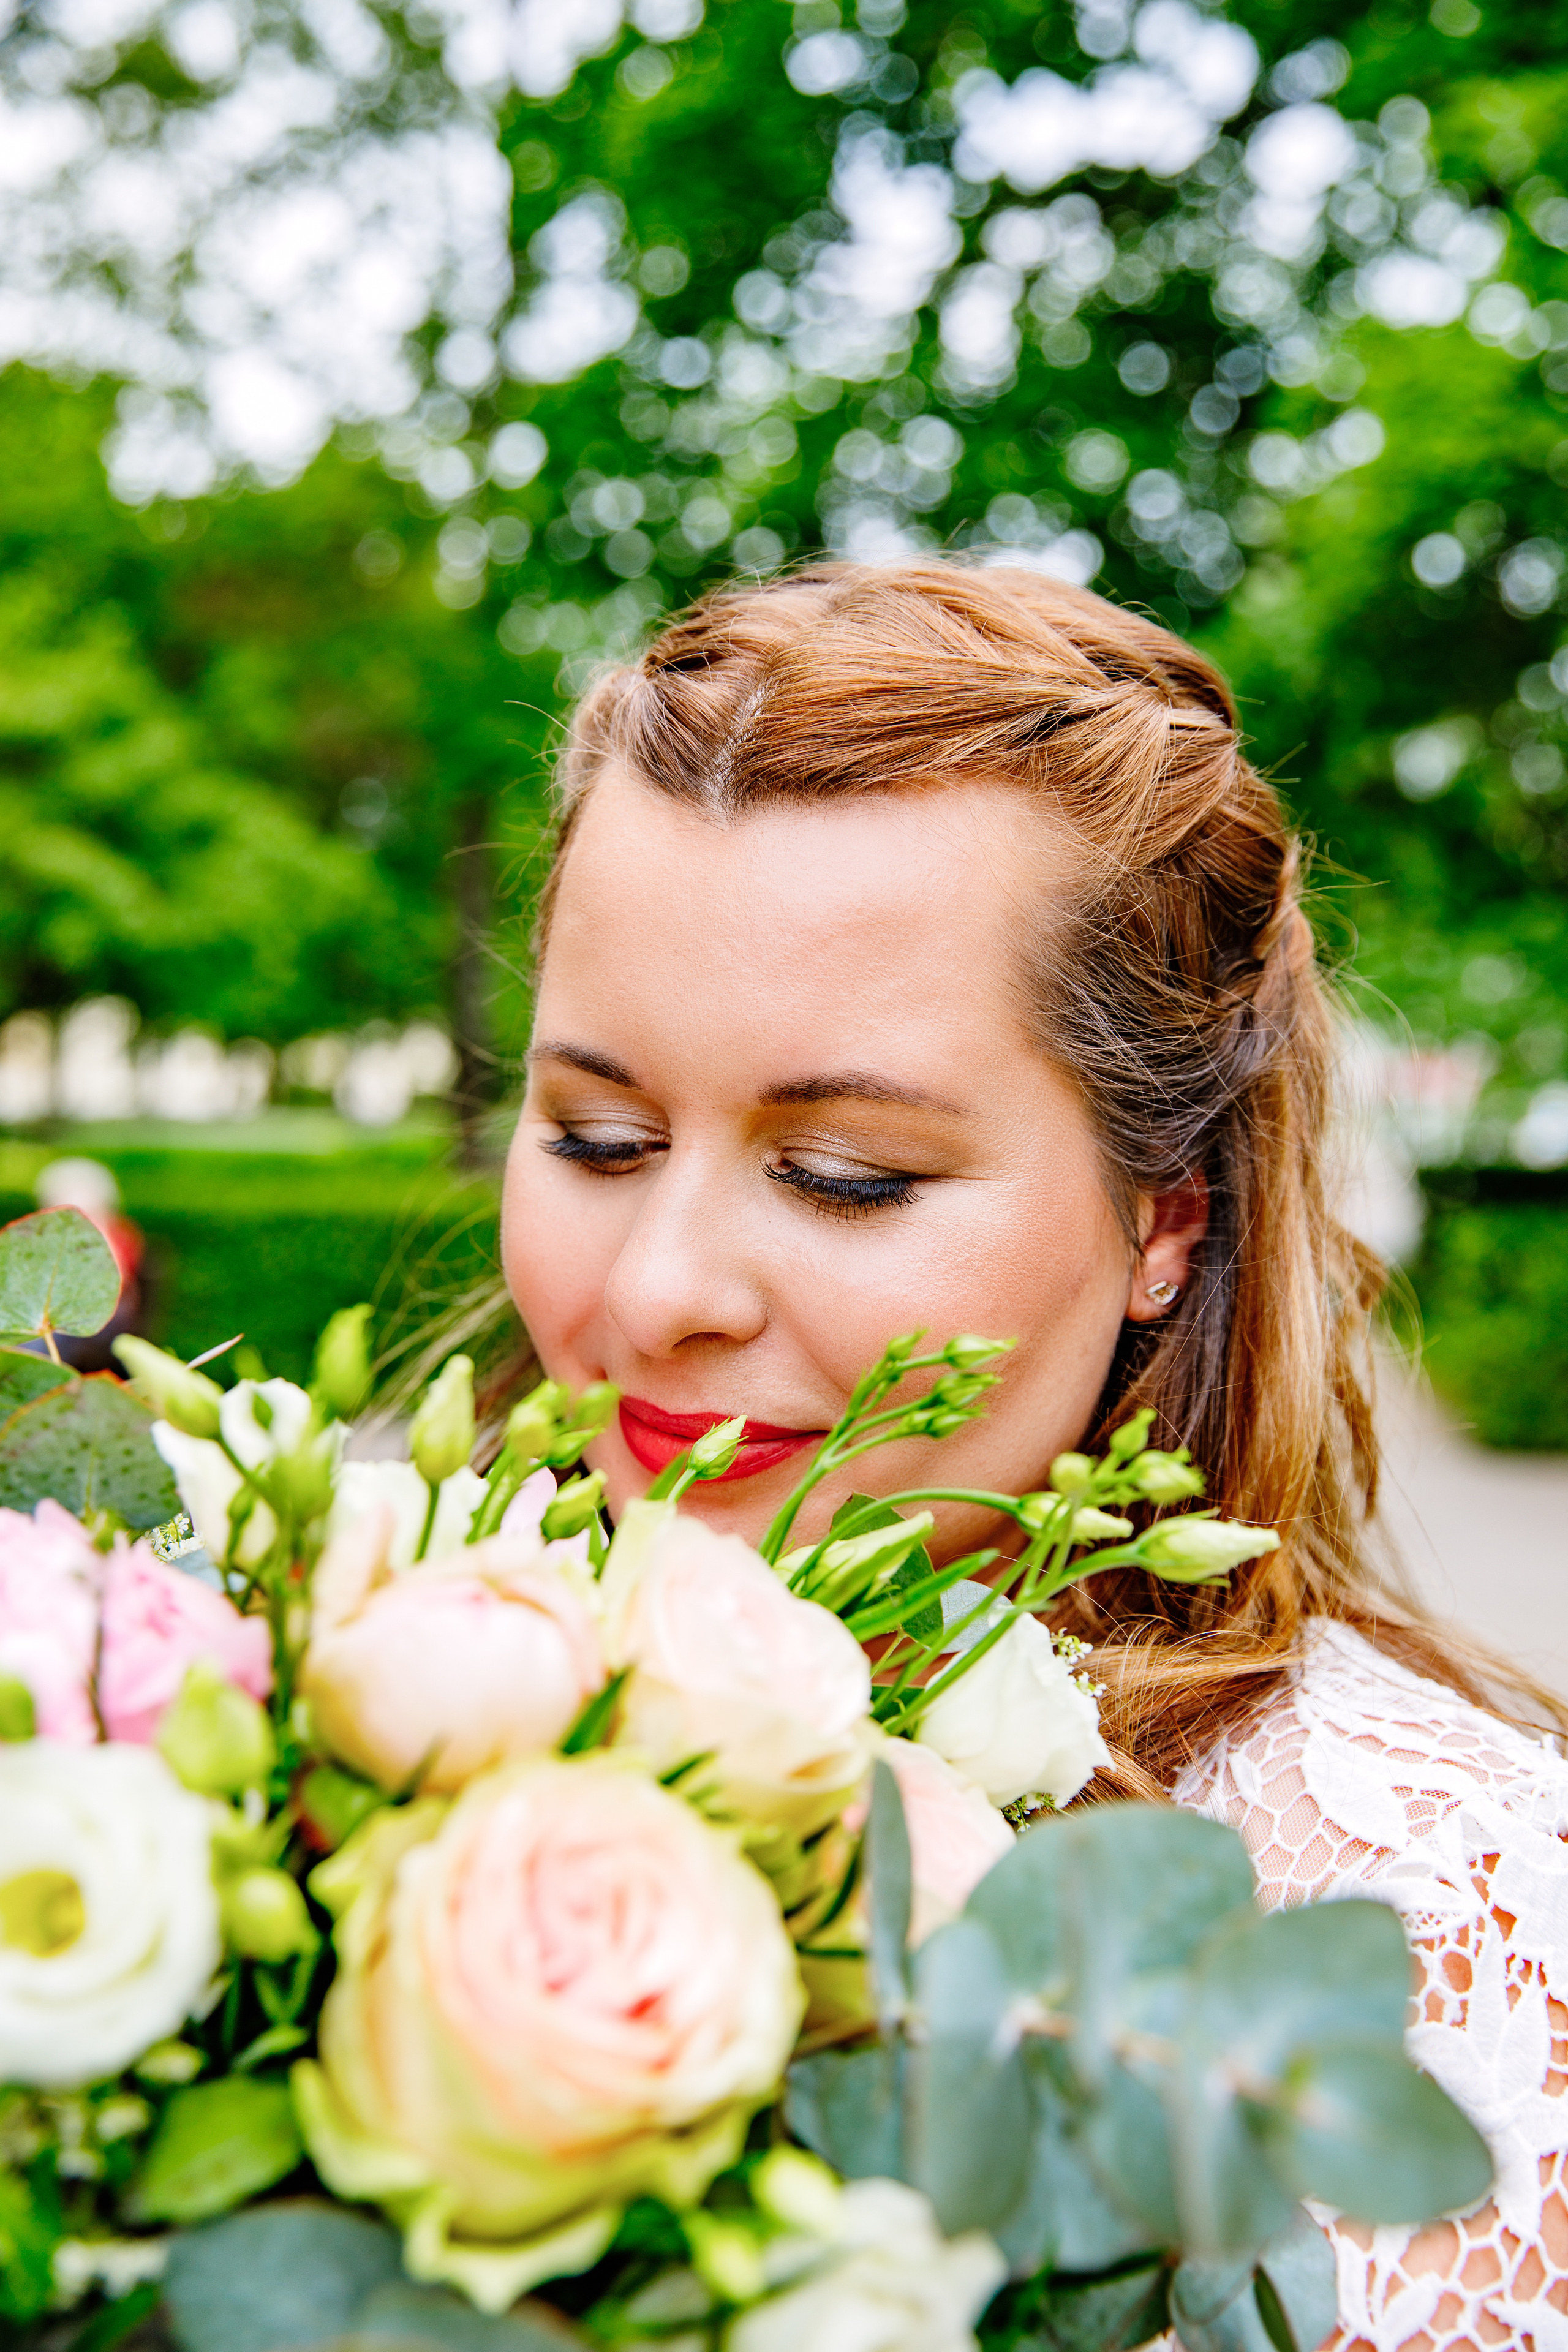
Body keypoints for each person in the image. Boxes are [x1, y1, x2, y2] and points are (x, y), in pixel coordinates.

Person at [497, 560, 1568, 2352]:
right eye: (599, 1137)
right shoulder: (310, 1695)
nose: (661, 1292)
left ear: (1166, 1221)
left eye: (846, 1176)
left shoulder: (1446, 1942)